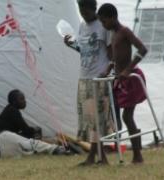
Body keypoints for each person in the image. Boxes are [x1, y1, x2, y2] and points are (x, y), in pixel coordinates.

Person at [98, 3, 148, 164]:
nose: (103, 25)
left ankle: (138, 156)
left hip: (131, 79)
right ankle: (135, 155)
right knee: (122, 117)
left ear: (112, 17)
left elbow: (142, 49)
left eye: (104, 21)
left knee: (127, 116)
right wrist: (109, 69)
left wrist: (128, 69)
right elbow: (115, 57)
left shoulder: (124, 31)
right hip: (120, 80)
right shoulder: (113, 34)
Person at [64, 0, 112, 165]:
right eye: (80, 8)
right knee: (88, 121)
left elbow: (111, 52)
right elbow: (84, 51)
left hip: (99, 78)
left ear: (93, 8)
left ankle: (97, 157)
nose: (83, 12)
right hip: (84, 77)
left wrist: (109, 71)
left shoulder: (103, 25)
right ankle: (97, 157)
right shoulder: (83, 26)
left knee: (98, 120)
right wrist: (72, 45)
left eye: (85, 8)